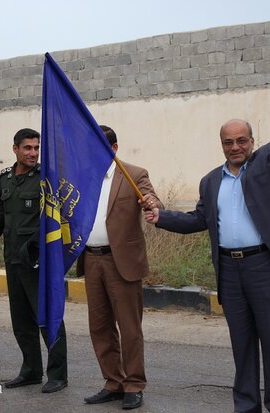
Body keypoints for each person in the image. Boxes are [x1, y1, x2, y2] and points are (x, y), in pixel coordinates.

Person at [142, 93, 270, 413]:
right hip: (229, 272)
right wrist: (162, 216)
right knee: (241, 345)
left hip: (265, 266)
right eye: (228, 142)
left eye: (241, 140)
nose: (235, 146)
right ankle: (246, 406)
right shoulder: (211, 181)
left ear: (251, 141)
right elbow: (198, 220)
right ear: (222, 144)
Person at [77, 125, 162, 411]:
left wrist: (151, 203)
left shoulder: (133, 174)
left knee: (129, 327)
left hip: (121, 261)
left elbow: (152, 199)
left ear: (113, 148)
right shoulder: (83, 177)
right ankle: (113, 381)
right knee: (99, 326)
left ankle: (134, 384)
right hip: (91, 260)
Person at [0, 128, 68, 394]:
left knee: (47, 317)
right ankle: (31, 370)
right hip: (13, 259)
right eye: (27, 148)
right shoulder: (5, 178)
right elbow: (4, 213)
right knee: (21, 319)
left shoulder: (45, 179)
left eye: (36, 148)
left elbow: (55, 218)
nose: (32, 153)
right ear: (15, 149)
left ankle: (58, 374)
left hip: (37, 261)